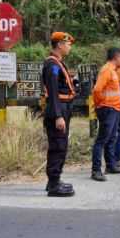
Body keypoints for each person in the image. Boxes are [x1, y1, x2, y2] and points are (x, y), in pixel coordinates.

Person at [41, 31, 77, 197]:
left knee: (60, 145)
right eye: (68, 44)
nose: (69, 47)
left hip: (63, 108)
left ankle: (53, 181)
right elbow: (53, 92)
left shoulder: (58, 64)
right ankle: (54, 184)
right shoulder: (52, 65)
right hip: (58, 109)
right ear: (60, 45)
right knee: (58, 146)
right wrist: (58, 116)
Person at [91, 47, 120, 180]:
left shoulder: (113, 71)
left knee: (111, 138)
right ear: (116, 57)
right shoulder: (106, 70)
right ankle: (96, 170)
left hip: (114, 108)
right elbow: (97, 90)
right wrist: (101, 105)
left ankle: (111, 165)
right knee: (102, 139)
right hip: (107, 109)